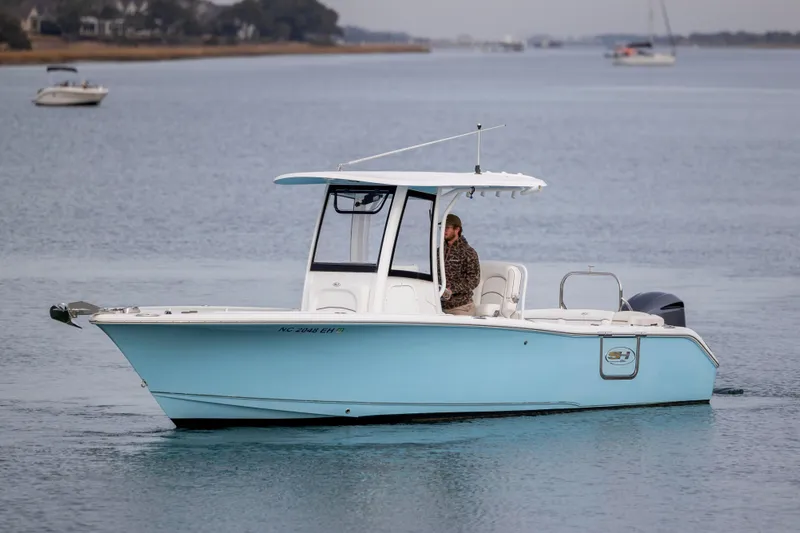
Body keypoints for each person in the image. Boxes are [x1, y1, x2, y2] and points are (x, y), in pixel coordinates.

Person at [438, 214, 481, 316]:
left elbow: (474, 280)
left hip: (461, 307)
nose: (444, 230)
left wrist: (452, 289)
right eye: (442, 227)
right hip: (439, 306)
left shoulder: (468, 252)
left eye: (447, 228)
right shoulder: (438, 252)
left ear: (457, 229)